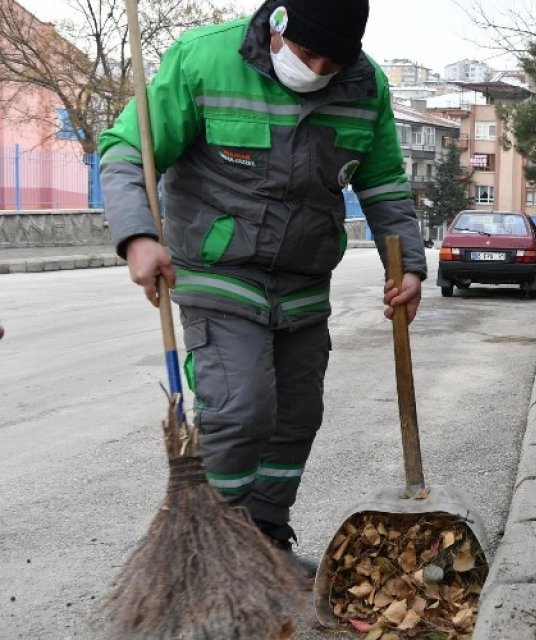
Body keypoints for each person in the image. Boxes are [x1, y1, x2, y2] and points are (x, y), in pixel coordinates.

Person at [98, 0, 426, 568]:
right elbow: (127, 151)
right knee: (241, 406)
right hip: (217, 267)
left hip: (304, 277)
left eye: (333, 61)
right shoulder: (203, 60)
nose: (319, 70)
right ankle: (210, 551)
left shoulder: (363, 85)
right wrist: (138, 235)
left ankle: (265, 539)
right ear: (278, 26)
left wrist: (410, 268)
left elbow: (384, 183)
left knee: (298, 415)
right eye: (308, 54)